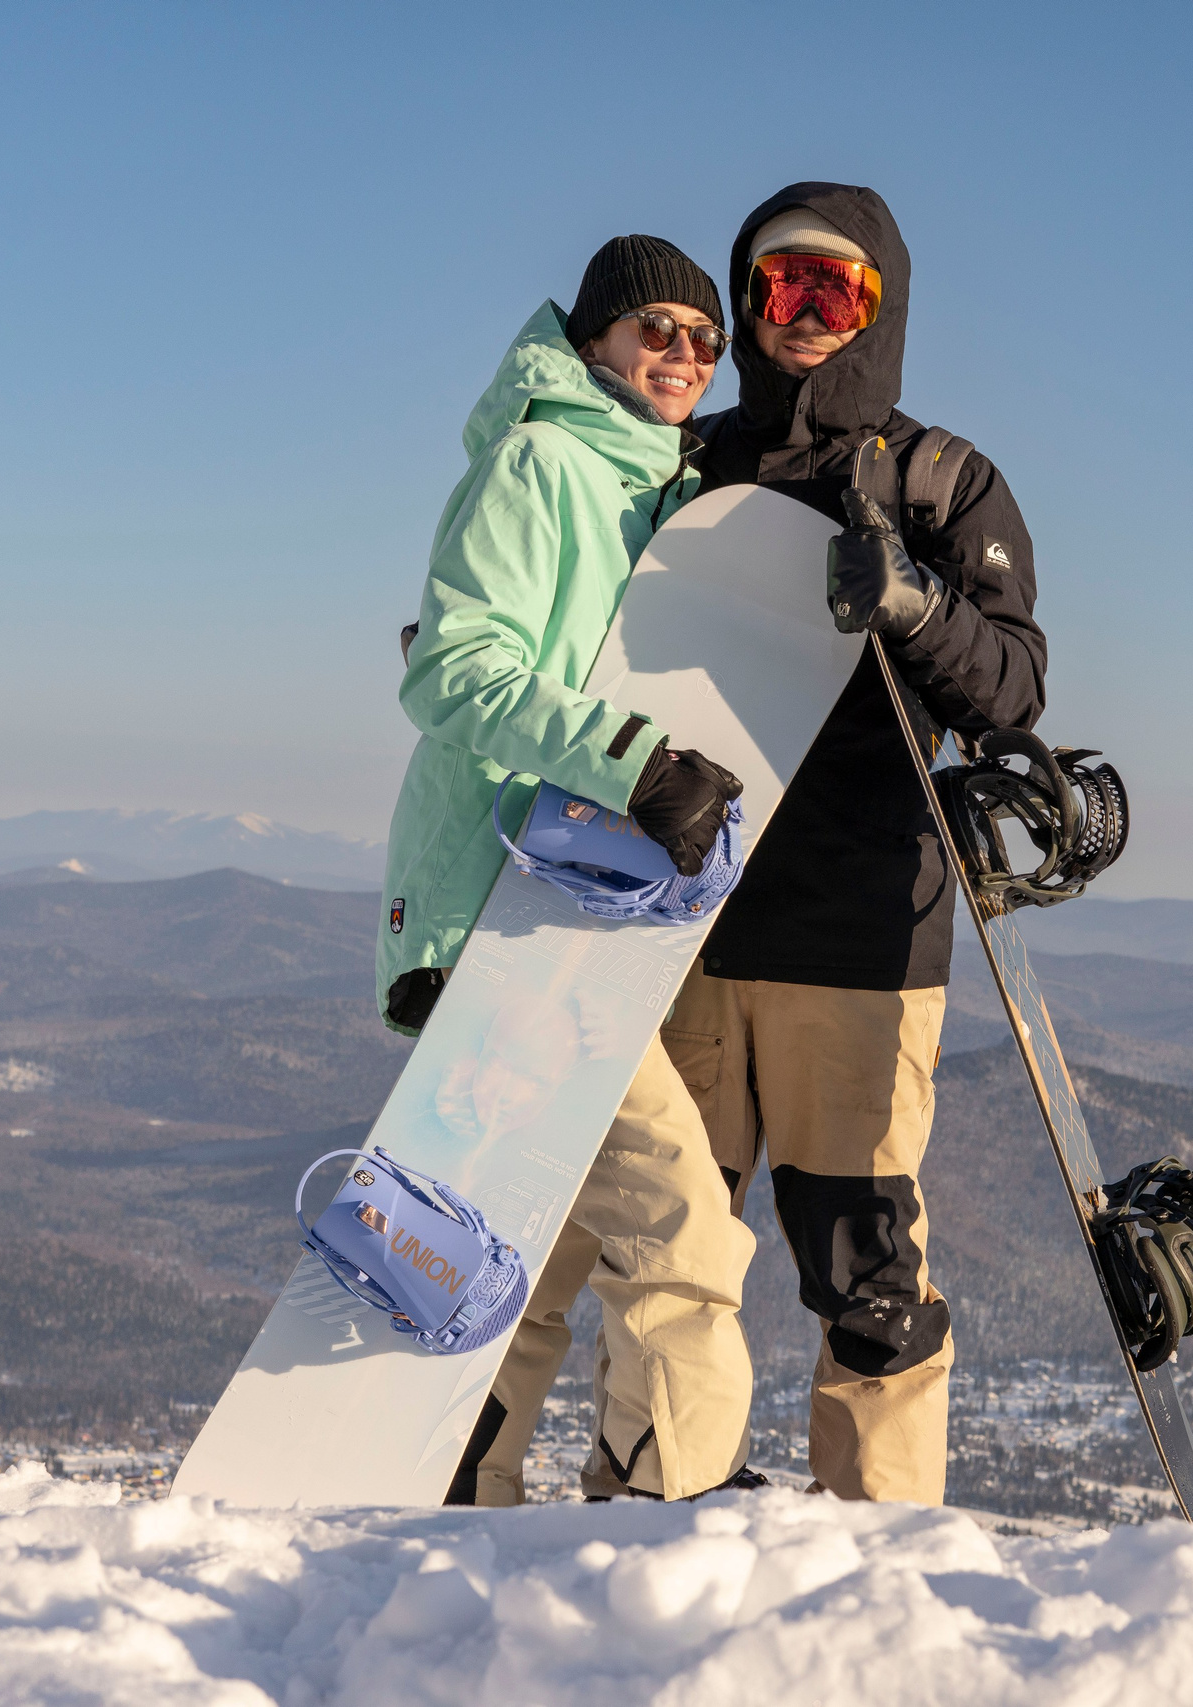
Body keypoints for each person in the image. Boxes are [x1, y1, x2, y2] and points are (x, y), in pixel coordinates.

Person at [466, 184, 1047, 1506]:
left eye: (838, 289)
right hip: (677, 933)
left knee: (868, 1280)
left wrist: (918, 608)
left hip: (861, 938)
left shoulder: (942, 479)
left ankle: (879, 1554)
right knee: (656, 1250)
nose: (805, 313)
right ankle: (653, 1512)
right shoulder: (688, 460)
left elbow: (1013, 691)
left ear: (882, 309)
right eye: (779, 284)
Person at [379, 234, 765, 1504]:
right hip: (500, 912)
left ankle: (459, 1498)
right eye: (656, 329)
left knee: (521, 1248)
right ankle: (676, 1510)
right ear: (591, 336)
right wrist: (638, 764)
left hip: (562, 913)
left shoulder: (645, 491)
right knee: (677, 1219)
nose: (684, 355)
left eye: (705, 341)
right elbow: (453, 671)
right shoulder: (543, 463)